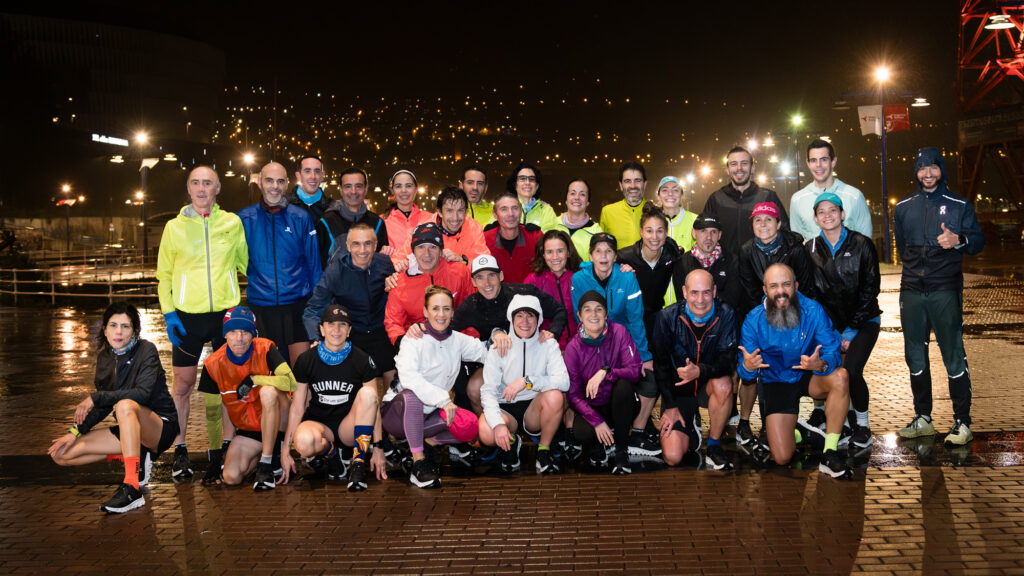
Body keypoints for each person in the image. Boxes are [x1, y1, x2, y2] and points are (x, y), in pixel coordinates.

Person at [156, 165, 248, 481]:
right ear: (189, 188)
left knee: (228, 385)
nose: (201, 188)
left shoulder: (232, 223)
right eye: (195, 182)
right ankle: (179, 449)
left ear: (218, 188)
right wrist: (169, 313)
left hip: (225, 316)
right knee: (182, 386)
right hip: (186, 316)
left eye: (207, 183)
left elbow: (246, 264)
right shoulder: (174, 227)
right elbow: (164, 275)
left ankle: (226, 446)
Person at [49, 303, 179, 513]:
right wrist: (75, 432)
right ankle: (136, 455)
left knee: (124, 405)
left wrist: (95, 398)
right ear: (104, 329)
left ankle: (132, 488)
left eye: (125, 326)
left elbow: (142, 394)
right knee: (61, 454)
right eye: (113, 325)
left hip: (160, 427)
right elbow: (103, 406)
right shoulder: (105, 358)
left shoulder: (146, 350)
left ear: (134, 330)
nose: (119, 332)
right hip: (130, 428)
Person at [895, 147, 985, 446]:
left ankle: (962, 422)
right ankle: (923, 418)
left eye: (933, 167)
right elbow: (902, 246)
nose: (928, 174)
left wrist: (959, 239)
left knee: (953, 354)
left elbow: (978, 241)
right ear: (916, 172)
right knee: (915, 355)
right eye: (922, 168)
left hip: (945, 288)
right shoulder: (903, 207)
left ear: (941, 170)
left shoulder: (959, 205)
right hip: (912, 290)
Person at [737, 264, 853, 478]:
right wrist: (748, 367)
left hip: (809, 373)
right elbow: (745, 374)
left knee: (841, 377)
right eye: (774, 286)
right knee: (782, 457)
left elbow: (831, 349)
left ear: (796, 286)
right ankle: (800, 433)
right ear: (765, 290)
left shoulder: (813, 310)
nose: (780, 291)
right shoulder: (753, 321)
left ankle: (829, 452)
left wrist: (820, 364)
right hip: (776, 380)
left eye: (786, 284)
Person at [382, 286, 488, 488]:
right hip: (397, 414)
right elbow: (409, 378)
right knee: (412, 395)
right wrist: (444, 400)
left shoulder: (457, 340)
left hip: (430, 414)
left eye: (446, 309)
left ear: (453, 312)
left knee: (470, 425)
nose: (441, 314)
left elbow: (486, 352)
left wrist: (500, 337)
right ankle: (418, 464)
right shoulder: (413, 339)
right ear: (425, 311)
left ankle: (426, 443)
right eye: (435, 308)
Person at [571, 232, 659, 457]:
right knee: (585, 387)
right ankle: (599, 431)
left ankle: (636, 432)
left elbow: (635, 319)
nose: (603, 256)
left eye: (609, 251)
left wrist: (644, 356)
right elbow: (579, 318)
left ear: (615, 256)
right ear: (590, 255)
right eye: (598, 251)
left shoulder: (627, 277)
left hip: (622, 344)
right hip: (593, 345)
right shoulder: (579, 279)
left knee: (646, 381)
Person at [805, 192, 881, 449]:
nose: (827, 215)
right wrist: (830, 332)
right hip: (829, 327)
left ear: (842, 214)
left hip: (864, 321)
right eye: (821, 212)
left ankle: (863, 426)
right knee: (833, 373)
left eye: (832, 210)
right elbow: (811, 294)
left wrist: (850, 331)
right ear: (816, 218)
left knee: (852, 370)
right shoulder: (809, 249)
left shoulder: (862, 244)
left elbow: (870, 289)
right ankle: (843, 424)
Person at [282, 305, 386, 491]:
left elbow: (374, 407)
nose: (336, 329)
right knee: (304, 442)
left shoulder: (361, 358)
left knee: (369, 394)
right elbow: (297, 407)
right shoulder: (306, 360)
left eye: (342, 324)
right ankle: (332, 456)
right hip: (320, 424)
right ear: (321, 329)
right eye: (330, 324)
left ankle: (358, 464)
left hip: (349, 426)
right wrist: (285, 450)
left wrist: (378, 448)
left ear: (349, 330)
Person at [445, 253, 568, 411]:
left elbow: (559, 310)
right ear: (473, 282)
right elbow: (446, 330)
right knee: (474, 388)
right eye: (480, 278)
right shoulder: (471, 304)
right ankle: (488, 423)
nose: (487, 283)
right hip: (496, 360)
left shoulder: (524, 293)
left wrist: (552, 332)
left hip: (532, 358)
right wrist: (421, 329)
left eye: (491, 275)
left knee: (560, 385)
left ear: (501, 276)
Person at [736, 201, 815, 446]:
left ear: (779, 224)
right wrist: (764, 319)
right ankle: (760, 424)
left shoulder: (795, 249)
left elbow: (806, 285)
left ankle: (789, 421)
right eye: (757, 220)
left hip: (794, 315)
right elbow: (749, 289)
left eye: (768, 219)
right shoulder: (746, 250)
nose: (763, 224)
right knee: (760, 367)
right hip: (762, 314)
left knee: (790, 368)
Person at [196, 307, 296, 490]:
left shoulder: (266, 348)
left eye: (245, 331)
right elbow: (214, 413)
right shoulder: (212, 364)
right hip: (249, 430)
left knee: (268, 391)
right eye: (233, 331)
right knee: (231, 477)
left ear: (253, 334)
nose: (239, 338)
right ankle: (261, 456)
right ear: (225, 335)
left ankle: (267, 462)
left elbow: (291, 383)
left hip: (279, 421)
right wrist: (217, 456)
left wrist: (255, 380)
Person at [653, 270, 737, 470]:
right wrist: (670, 405)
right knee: (672, 457)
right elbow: (660, 364)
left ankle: (714, 445)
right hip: (679, 393)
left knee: (724, 384)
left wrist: (700, 371)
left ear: (714, 291)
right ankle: (690, 426)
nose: (700, 300)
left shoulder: (726, 314)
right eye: (694, 292)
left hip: (707, 386)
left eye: (706, 292)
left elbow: (728, 361)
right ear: (684, 292)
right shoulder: (667, 317)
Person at [238, 161, 321, 365]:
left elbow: (314, 265)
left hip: (297, 305)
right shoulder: (244, 219)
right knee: (270, 372)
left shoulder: (300, 218)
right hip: (262, 307)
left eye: (280, 181)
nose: (274, 186)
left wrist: (317, 308)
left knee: (301, 370)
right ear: (259, 182)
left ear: (286, 184)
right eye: (269, 181)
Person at [479, 295, 569, 474]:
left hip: (534, 408)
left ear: (539, 319)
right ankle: (512, 443)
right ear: (511, 319)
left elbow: (563, 382)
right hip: (506, 407)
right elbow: (488, 391)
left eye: (530, 316)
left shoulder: (548, 344)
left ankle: (543, 450)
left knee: (556, 396)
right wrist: (498, 425)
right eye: (519, 316)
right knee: (486, 432)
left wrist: (528, 381)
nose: (525, 322)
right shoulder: (499, 347)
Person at [303, 223, 398, 389]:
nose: (362, 250)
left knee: (394, 373)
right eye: (356, 244)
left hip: (380, 329)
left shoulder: (385, 264)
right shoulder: (335, 271)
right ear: (347, 246)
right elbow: (313, 309)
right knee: (357, 384)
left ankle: (391, 403)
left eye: (368, 244)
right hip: (352, 332)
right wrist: (316, 338)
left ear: (375, 245)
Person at [565, 290, 644, 475]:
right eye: (587, 310)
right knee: (582, 433)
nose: (594, 314)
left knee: (624, 386)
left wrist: (607, 372)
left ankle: (621, 451)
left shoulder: (619, 332)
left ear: (606, 313)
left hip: (619, 404)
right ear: (579, 316)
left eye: (599, 309)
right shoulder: (573, 348)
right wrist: (597, 421)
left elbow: (635, 371)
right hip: (592, 407)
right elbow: (573, 395)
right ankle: (599, 444)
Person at [384, 222, 474, 347]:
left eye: (433, 247)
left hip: (456, 342)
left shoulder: (460, 272)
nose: (427, 254)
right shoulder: (399, 282)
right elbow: (393, 323)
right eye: (420, 247)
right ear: (413, 251)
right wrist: (406, 346)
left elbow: (473, 310)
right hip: (418, 345)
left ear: (441, 250)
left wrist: (468, 342)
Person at [702, 146, 790, 258]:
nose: (739, 168)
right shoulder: (716, 199)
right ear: (727, 169)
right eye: (734, 164)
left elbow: (785, 233)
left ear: (752, 168)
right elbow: (703, 233)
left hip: (760, 266)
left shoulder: (768, 197)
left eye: (744, 163)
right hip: (726, 265)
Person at [790, 139, 872, 241]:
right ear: (808, 163)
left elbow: (866, 243)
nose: (818, 165)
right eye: (813, 160)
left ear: (833, 162)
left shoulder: (854, 196)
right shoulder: (797, 200)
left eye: (824, 159)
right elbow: (796, 244)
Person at [316, 167, 390, 267]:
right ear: (341, 190)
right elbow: (316, 265)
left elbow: (383, 264)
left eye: (358, 186)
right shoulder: (325, 222)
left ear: (365, 189)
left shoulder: (377, 223)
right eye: (348, 186)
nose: (353, 191)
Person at [524, 229, 583, 351]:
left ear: (568, 252)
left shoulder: (580, 277)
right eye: (549, 252)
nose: (555, 257)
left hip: (580, 348)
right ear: (543, 254)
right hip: (546, 349)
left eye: (560, 251)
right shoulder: (533, 281)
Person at [670, 213, 742, 311]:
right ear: (694, 233)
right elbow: (682, 301)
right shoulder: (682, 263)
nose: (709, 237)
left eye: (713, 232)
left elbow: (732, 301)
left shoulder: (733, 262)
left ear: (719, 235)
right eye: (703, 231)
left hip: (723, 318)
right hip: (690, 319)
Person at [483, 191, 543, 283]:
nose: (510, 214)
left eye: (515, 208)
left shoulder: (536, 237)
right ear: (495, 214)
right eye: (504, 209)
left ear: (521, 211)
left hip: (530, 291)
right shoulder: (484, 240)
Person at [383, 169, 433, 265]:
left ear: (416, 189)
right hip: (394, 273)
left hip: (426, 273)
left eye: (408, 186)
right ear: (392, 190)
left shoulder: (430, 218)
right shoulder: (382, 221)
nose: (403, 190)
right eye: (398, 186)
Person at [435, 185, 490, 264]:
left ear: (466, 212)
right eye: (449, 211)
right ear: (440, 212)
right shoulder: (425, 229)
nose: (455, 218)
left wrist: (462, 260)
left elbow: (484, 262)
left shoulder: (474, 228)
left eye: (460, 210)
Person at [552, 178, 603, 262]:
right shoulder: (551, 224)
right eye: (573, 193)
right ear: (566, 200)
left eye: (582, 194)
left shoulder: (596, 232)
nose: (577, 197)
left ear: (588, 202)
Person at [599, 162, 648, 248]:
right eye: (627, 181)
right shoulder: (607, 212)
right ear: (621, 185)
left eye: (637, 180)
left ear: (645, 184)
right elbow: (601, 247)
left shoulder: (656, 211)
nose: (633, 186)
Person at [507, 161, 558, 230]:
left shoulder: (546, 210)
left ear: (537, 186)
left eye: (531, 179)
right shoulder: (504, 208)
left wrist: (537, 234)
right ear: (515, 185)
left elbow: (551, 235)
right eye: (522, 179)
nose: (527, 182)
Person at [287, 155, 332, 225]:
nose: (313, 177)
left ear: (322, 175)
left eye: (317, 171)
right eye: (307, 171)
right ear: (298, 176)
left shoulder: (332, 208)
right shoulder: (284, 204)